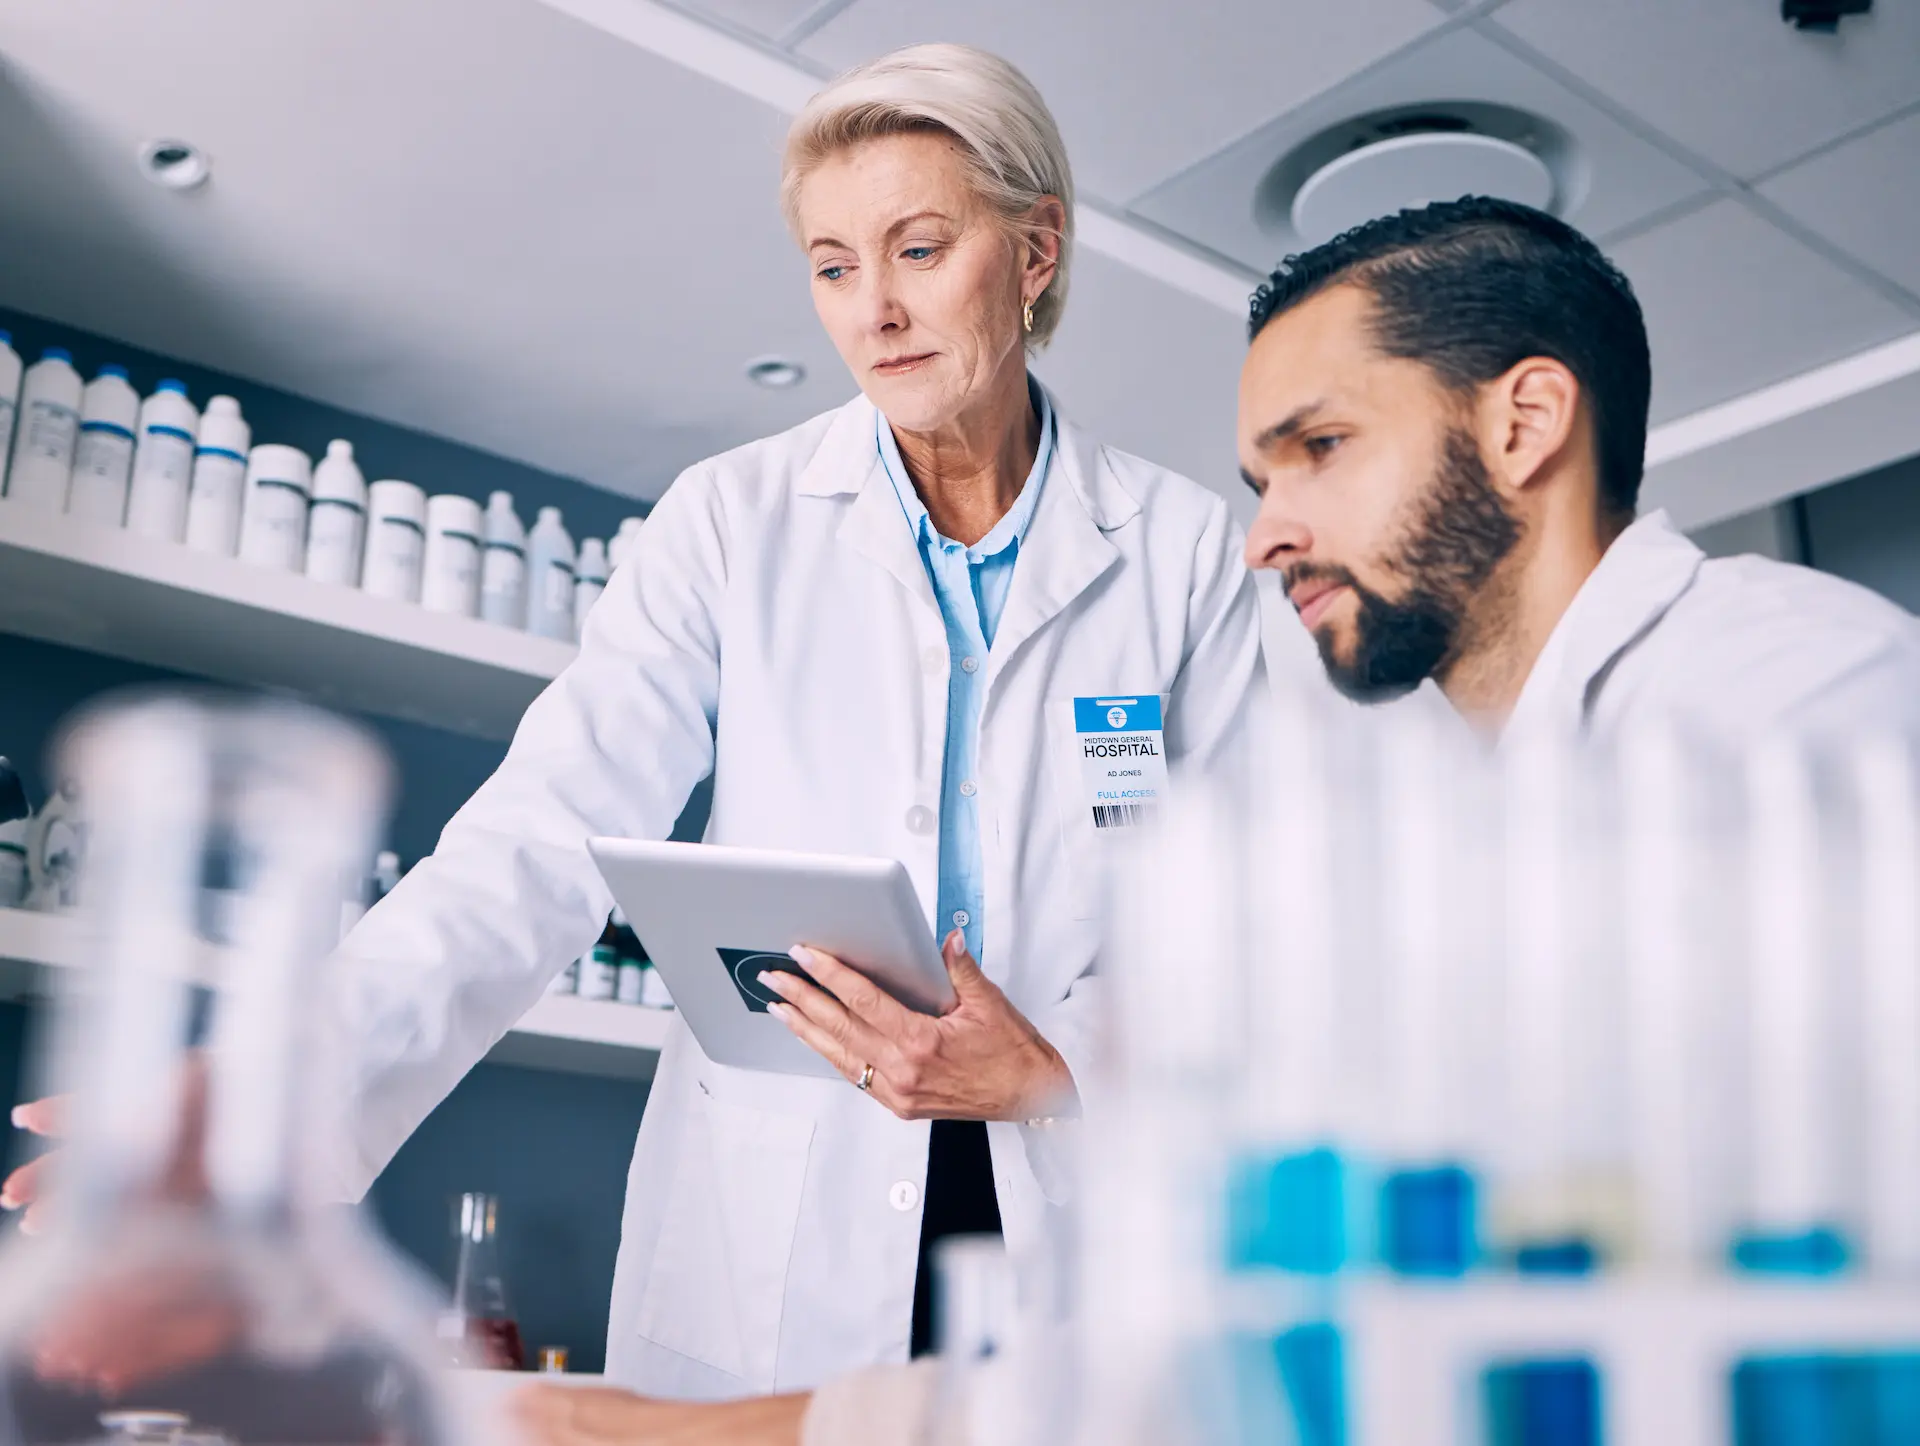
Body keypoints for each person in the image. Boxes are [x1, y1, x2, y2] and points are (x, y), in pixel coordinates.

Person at [4, 41, 1263, 1409]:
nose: (876, 310)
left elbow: (1248, 911)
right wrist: (272, 1100)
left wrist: (1057, 1061)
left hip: (1059, 1190)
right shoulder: (730, 522)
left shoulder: (1185, 554)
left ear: (1034, 253)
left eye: (919, 247)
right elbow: (535, 841)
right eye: (835, 266)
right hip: (780, 1216)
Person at [1236, 196, 1920, 742]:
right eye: (1263, 486)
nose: (1262, 542)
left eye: (1322, 445)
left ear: (1525, 425)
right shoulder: (1497, 798)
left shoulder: (1797, 687)